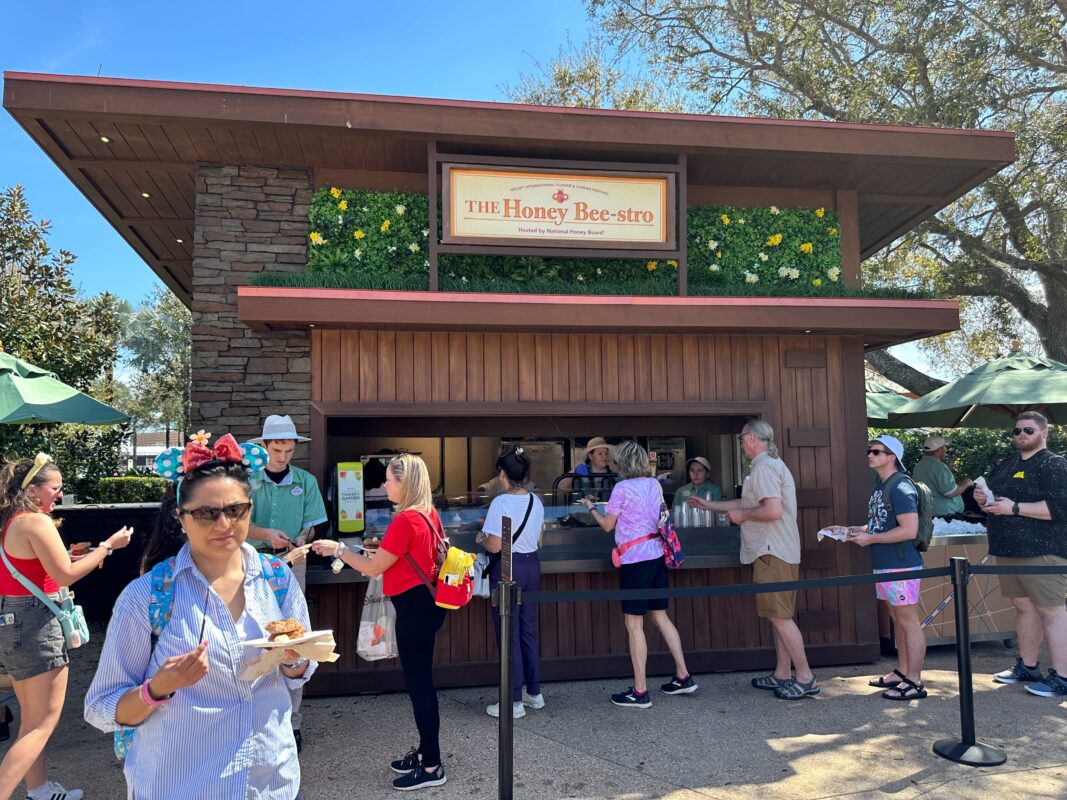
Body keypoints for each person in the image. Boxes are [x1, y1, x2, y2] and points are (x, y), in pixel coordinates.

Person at [85, 433, 314, 800]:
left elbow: (297, 672)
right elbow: (101, 708)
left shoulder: (277, 580)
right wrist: (157, 688)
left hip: (271, 784)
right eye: (206, 513)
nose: (224, 524)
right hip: (182, 786)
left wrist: (293, 658)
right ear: (181, 516)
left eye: (236, 510)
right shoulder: (148, 597)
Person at [0, 454, 133, 800]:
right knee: (41, 724)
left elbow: (41, 570)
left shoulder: (13, 521)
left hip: (14, 621)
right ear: (33, 490)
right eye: (55, 488)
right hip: (36, 625)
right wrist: (108, 547)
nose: (60, 495)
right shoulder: (37, 521)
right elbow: (65, 575)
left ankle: (40, 789)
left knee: (32, 722)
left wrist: (80, 556)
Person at [312, 454, 448, 791]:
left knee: (419, 686)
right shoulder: (427, 512)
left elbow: (373, 568)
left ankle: (432, 766)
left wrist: (339, 549)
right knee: (421, 683)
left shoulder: (406, 520)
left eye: (389, 479)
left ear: (404, 482)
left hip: (414, 608)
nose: (384, 485)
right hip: (428, 604)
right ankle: (425, 752)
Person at [689, 421, 818, 700]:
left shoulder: (764, 467)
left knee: (780, 617)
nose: (740, 444)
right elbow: (747, 504)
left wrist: (743, 516)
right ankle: (782, 673)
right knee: (778, 617)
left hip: (772, 550)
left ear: (751, 439)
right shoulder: (766, 465)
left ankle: (805, 677)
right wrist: (709, 505)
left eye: (741, 439)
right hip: (774, 550)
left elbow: (771, 511)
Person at [580, 441, 697, 707]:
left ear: (622, 463)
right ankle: (683, 676)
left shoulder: (621, 488)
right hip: (657, 554)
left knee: (634, 625)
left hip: (634, 559)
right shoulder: (654, 485)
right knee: (661, 617)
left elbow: (607, 526)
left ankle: (640, 691)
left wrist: (590, 507)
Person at [245, 414, 327, 751]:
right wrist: (266, 534)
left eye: (289, 451)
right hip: (249, 563)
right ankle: (253, 718)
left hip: (292, 564)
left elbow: (312, 524)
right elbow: (234, 524)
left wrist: (301, 540)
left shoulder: (305, 482)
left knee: (294, 639)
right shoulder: (246, 481)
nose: (282, 456)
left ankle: (292, 723)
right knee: (253, 636)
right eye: (277, 450)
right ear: (264, 447)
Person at [973, 411, 1067, 697]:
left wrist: (1013, 508)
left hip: (1043, 551)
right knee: (1025, 608)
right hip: (1008, 550)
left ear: (1044, 433)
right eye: (1017, 431)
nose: (1022, 435)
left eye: (1028, 430)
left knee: (1052, 611)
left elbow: (1059, 508)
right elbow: (996, 503)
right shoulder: (1007, 465)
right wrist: (984, 500)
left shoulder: (1054, 464)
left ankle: (1063, 677)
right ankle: (1028, 666)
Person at [836, 435, 927, 701]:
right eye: (869, 450)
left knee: (908, 621)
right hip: (886, 564)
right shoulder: (882, 486)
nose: (870, 455)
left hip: (901, 565)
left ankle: (915, 680)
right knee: (898, 619)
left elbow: (909, 530)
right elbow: (879, 525)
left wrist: (870, 539)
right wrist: (848, 531)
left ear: (891, 457)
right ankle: (903, 671)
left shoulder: (900, 487)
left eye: (876, 451)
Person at [475, 445, 544, 719]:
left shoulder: (501, 503)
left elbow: (494, 546)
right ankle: (534, 692)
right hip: (532, 565)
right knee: (527, 629)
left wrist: (481, 538)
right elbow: (539, 537)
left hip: (508, 567)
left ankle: (513, 701)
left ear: (502, 474)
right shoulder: (536, 501)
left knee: (508, 632)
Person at [912, 435, 972, 519]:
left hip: (928, 513)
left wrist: (948, 469)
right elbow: (950, 493)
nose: (946, 449)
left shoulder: (919, 465)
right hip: (945, 516)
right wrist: (967, 483)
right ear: (938, 450)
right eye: (944, 447)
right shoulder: (937, 466)